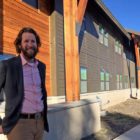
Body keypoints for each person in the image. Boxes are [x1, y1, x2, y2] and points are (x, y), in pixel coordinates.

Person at [0, 27, 49, 140]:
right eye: (26, 41)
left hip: (40, 123)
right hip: (18, 125)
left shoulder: (41, 66)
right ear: (19, 45)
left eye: (33, 41)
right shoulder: (8, 66)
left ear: (37, 44)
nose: (30, 44)